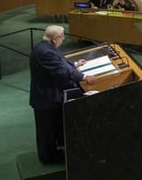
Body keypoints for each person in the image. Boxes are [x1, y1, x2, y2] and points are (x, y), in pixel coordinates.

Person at [30, 25, 96, 163]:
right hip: (46, 98)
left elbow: (60, 61)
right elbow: (61, 70)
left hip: (48, 95)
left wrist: (75, 64)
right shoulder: (46, 52)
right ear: (55, 38)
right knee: (47, 131)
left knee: (53, 127)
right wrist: (83, 77)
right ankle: (48, 158)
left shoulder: (45, 47)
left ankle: (55, 152)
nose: (63, 39)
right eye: (62, 37)